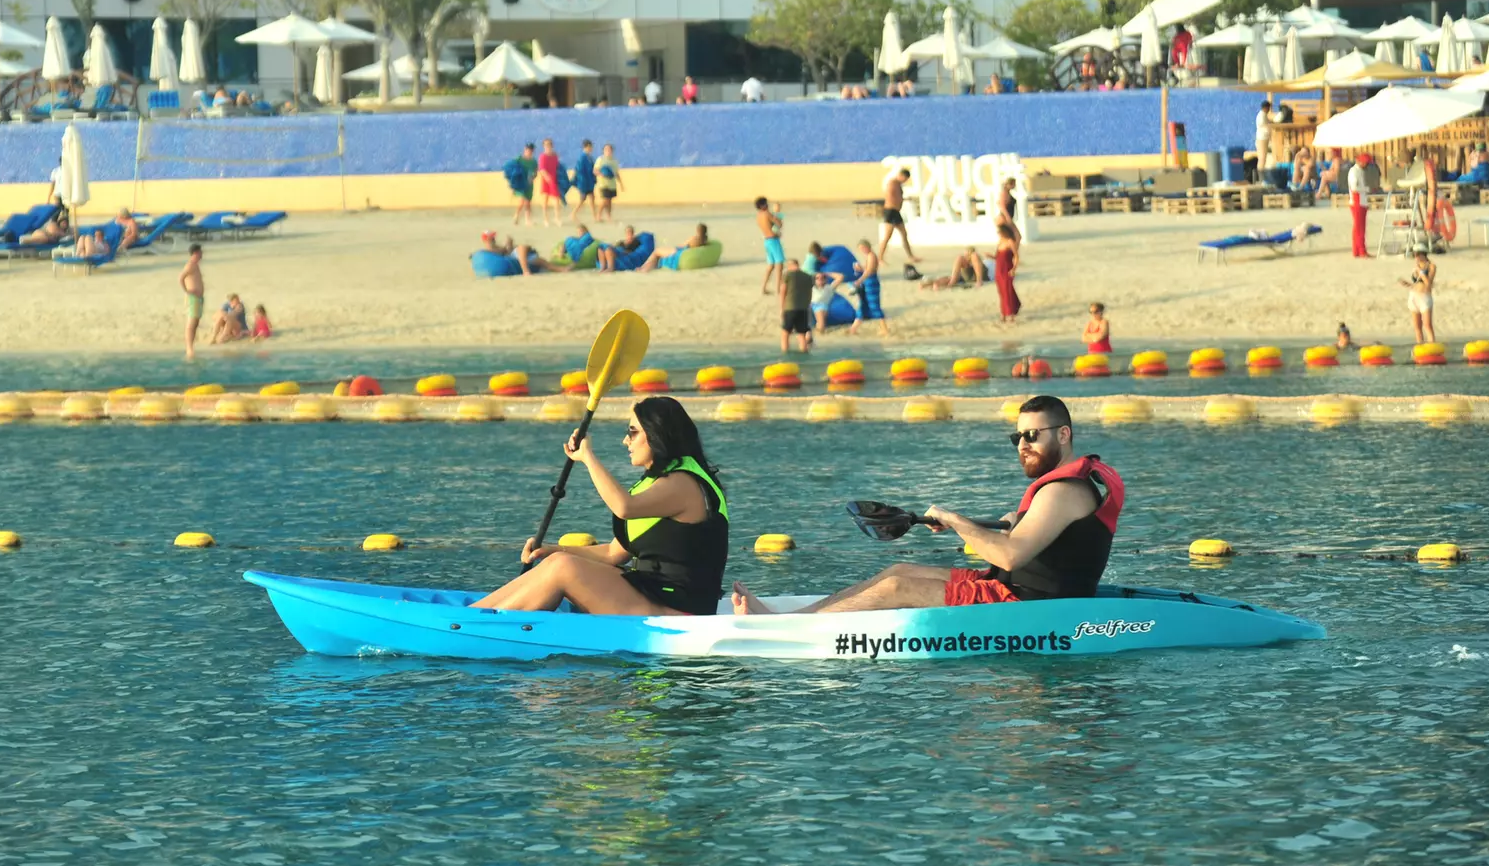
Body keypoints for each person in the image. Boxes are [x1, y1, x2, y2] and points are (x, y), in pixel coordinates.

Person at [732, 395, 1123, 615]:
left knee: (898, 587)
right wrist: (1002, 520)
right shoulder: (1069, 485)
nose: (1022, 445)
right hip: (1012, 589)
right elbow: (1035, 532)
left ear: (1065, 433)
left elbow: (1009, 556)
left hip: (1027, 604)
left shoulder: (1063, 490)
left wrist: (954, 520)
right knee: (899, 568)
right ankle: (795, 618)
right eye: (1017, 437)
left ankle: (782, 626)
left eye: (1033, 435)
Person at [471, 397, 729, 616]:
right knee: (559, 561)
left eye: (633, 432)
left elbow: (623, 507)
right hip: (654, 596)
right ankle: (472, 615)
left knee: (564, 568)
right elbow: (613, 555)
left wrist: (588, 458)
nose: (625, 441)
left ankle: (474, 625)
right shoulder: (664, 482)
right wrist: (550, 549)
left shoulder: (682, 484)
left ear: (657, 434)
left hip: (679, 610)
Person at [849, 238, 889, 337]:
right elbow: (867, 269)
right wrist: (860, 268)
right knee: (863, 304)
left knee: (874, 305)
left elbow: (869, 271)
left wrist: (859, 280)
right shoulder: (869, 256)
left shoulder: (872, 256)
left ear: (867, 247)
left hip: (871, 283)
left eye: (862, 248)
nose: (862, 250)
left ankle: (885, 329)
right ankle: (853, 328)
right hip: (868, 282)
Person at [879, 168, 918, 262]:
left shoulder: (898, 184)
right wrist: (900, 200)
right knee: (888, 236)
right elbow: (890, 196)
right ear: (901, 176)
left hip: (896, 212)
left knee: (904, 234)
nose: (905, 181)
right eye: (905, 179)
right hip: (890, 211)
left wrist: (905, 199)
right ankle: (880, 258)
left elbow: (898, 197)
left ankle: (911, 256)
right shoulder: (892, 183)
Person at [1401, 251, 1437, 344]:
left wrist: (1420, 271)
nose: (1416, 257)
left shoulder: (1431, 266)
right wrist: (1408, 284)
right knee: (1417, 327)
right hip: (1414, 296)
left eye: (1417, 255)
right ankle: (1420, 344)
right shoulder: (1415, 267)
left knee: (1427, 325)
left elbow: (1428, 284)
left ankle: (1431, 346)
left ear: (1423, 254)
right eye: (1414, 255)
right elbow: (1416, 284)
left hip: (1424, 297)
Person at [639, 223, 707, 271]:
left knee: (657, 252)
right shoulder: (705, 240)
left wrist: (676, 246)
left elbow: (684, 246)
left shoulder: (694, 239)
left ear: (697, 230)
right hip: (684, 252)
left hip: (680, 252)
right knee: (658, 255)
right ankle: (646, 268)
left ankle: (644, 268)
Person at [780, 261, 815, 353]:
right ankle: (804, 354)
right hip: (803, 308)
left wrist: (782, 308)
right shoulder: (808, 276)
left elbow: (783, 292)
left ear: (790, 265)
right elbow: (810, 293)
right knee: (801, 334)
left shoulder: (788, 275)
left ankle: (785, 354)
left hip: (790, 307)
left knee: (785, 333)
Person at [755, 196, 785, 295]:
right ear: (763, 205)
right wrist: (778, 213)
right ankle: (778, 289)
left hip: (767, 241)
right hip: (773, 240)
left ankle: (763, 287)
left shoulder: (758, 215)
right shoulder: (767, 214)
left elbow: (767, 227)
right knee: (779, 265)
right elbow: (779, 224)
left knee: (771, 265)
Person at [920, 248, 987, 290]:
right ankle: (933, 284)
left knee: (973, 256)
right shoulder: (976, 260)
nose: (967, 256)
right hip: (966, 276)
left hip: (980, 275)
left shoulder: (976, 257)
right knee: (959, 258)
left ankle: (979, 281)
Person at [180, 244, 204, 358]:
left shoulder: (195, 265)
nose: (202, 254)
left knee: (195, 323)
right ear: (196, 253)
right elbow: (181, 278)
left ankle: (191, 347)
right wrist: (187, 291)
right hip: (193, 298)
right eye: (200, 252)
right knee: (191, 323)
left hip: (198, 298)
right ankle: (189, 349)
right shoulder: (190, 265)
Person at [503, 143, 537, 225]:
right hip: (521, 184)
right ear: (525, 150)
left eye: (531, 150)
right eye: (528, 150)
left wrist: (532, 177)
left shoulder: (534, 162)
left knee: (528, 202)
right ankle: (523, 218)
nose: (529, 152)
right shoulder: (519, 159)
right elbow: (512, 169)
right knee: (523, 201)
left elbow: (535, 172)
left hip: (529, 185)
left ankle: (520, 217)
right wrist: (513, 183)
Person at [994, 221, 1021, 322]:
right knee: (1001, 292)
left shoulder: (1010, 242)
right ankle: (1004, 314)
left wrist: (1014, 269)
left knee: (1007, 291)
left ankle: (1011, 315)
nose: (998, 233)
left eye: (999, 231)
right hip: (999, 270)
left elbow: (1016, 257)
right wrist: (991, 256)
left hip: (1007, 269)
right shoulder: (1000, 242)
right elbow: (998, 257)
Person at [1348, 152, 1372, 258]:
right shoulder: (1354, 171)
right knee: (1359, 229)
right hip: (1357, 202)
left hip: (1361, 201)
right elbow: (1354, 188)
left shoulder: (1359, 171)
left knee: (1359, 228)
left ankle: (1357, 251)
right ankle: (1361, 251)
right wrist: (1366, 189)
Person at [593, 143, 624, 222]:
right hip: (603, 184)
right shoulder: (600, 159)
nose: (608, 151)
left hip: (612, 184)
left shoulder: (614, 161)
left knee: (609, 201)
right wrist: (602, 174)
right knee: (605, 200)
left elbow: (616, 173)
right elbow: (595, 171)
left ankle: (608, 216)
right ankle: (598, 215)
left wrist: (621, 184)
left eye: (609, 149)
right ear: (603, 150)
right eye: (606, 149)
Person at [536, 137, 563, 225]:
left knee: (556, 199)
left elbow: (558, 167)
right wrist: (547, 178)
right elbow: (542, 169)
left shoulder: (555, 156)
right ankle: (546, 219)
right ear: (543, 146)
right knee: (545, 199)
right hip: (546, 180)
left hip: (554, 179)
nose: (548, 146)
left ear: (552, 145)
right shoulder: (542, 156)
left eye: (549, 144)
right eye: (546, 144)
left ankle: (557, 218)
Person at [569, 139, 597, 222]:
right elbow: (578, 170)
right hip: (584, 182)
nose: (592, 148)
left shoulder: (590, 158)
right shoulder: (582, 158)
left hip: (589, 182)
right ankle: (573, 214)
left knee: (592, 198)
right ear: (587, 147)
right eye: (590, 147)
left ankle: (594, 216)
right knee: (582, 199)